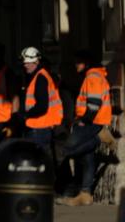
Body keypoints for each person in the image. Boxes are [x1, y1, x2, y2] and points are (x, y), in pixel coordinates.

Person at [57, 50, 111, 207]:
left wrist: (84, 120)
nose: (76, 65)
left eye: (78, 62)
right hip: (93, 121)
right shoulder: (93, 75)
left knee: (67, 149)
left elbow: (94, 103)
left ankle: (97, 138)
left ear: (86, 63)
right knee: (87, 158)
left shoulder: (93, 76)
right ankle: (85, 193)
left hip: (91, 122)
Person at [20, 46, 63, 152]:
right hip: (41, 127)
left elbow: (42, 106)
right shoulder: (38, 76)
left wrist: (26, 115)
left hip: (39, 128)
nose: (25, 66)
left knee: (37, 163)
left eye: (28, 63)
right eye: (24, 63)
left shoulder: (40, 78)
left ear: (36, 62)